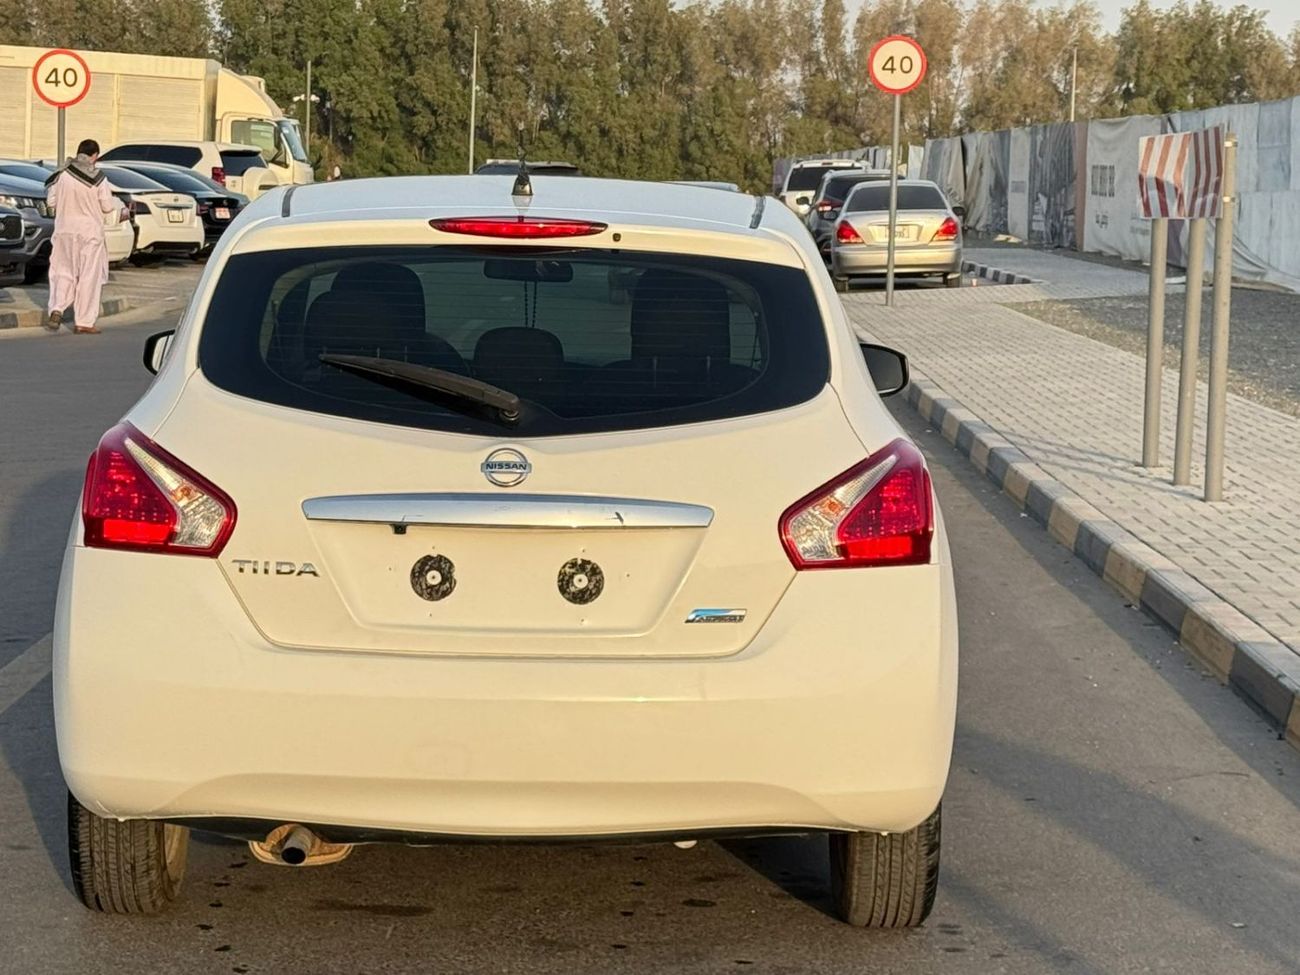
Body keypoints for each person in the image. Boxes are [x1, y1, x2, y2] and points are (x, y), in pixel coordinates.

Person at [44, 139, 123, 335]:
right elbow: (107, 206)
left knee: (62, 271)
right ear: (94, 156)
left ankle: (57, 307)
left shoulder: (62, 174)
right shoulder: (98, 178)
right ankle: (84, 321)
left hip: (64, 231)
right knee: (89, 276)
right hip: (89, 233)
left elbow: (51, 201)